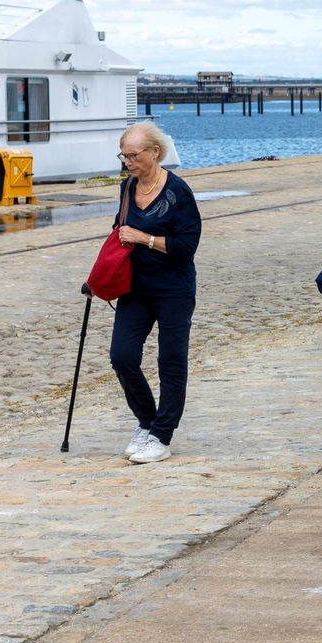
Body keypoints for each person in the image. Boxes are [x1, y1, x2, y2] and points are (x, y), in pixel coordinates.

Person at [108, 121, 201, 465]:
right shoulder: (127, 187)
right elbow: (119, 232)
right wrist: (100, 276)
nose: (127, 161)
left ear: (154, 153)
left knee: (171, 362)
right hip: (134, 287)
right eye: (124, 155)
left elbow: (186, 246)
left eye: (133, 155)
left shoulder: (178, 193)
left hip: (174, 289)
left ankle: (162, 436)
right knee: (123, 357)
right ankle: (147, 421)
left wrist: (145, 239)